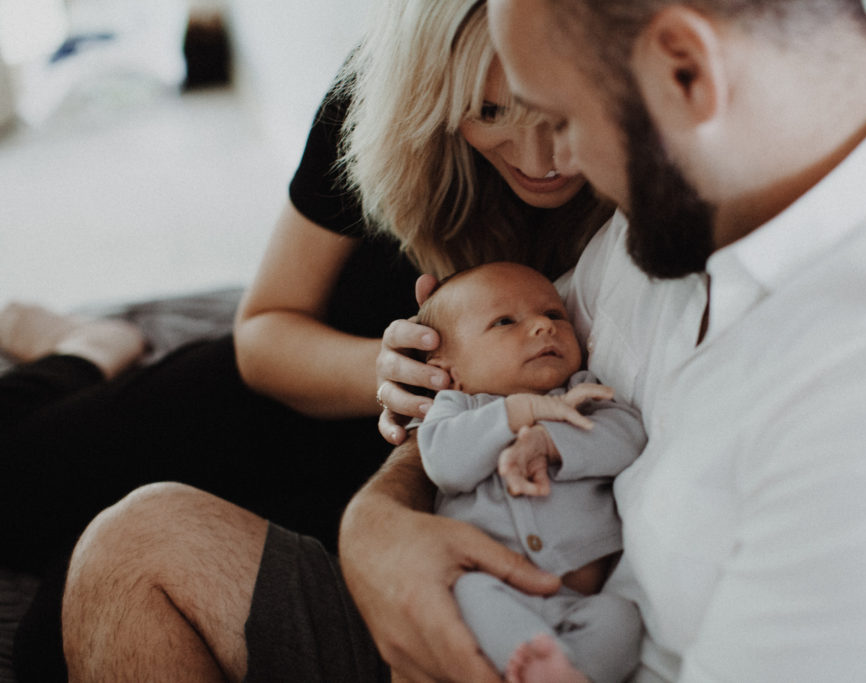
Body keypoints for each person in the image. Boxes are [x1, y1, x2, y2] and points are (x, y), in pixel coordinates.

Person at [61, 0, 866, 681]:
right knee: (134, 543)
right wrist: (383, 527)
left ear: (686, 71)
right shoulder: (702, 196)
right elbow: (488, 370)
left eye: (562, 118)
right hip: (488, 596)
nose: (559, 166)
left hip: (571, 646)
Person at [2, 0, 611, 677]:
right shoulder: (376, 102)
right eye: (489, 112)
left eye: (552, 112)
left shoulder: (642, 173)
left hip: (390, 475)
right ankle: (89, 345)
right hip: (289, 392)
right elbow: (264, 328)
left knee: (63, 617)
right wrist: (393, 372)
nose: (540, 160)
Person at [415, 261, 645, 682]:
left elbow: (627, 437)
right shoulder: (456, 409)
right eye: (505, 321)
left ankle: (566, 672)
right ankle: (535, 663)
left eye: (555, 314)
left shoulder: (582, 393)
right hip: (492, 587)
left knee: (621, 619)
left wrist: (550, 441)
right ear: (450, 370)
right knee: (466, 592)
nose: (543, 325)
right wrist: (517, 412)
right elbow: (446, 464)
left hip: (578, 599)